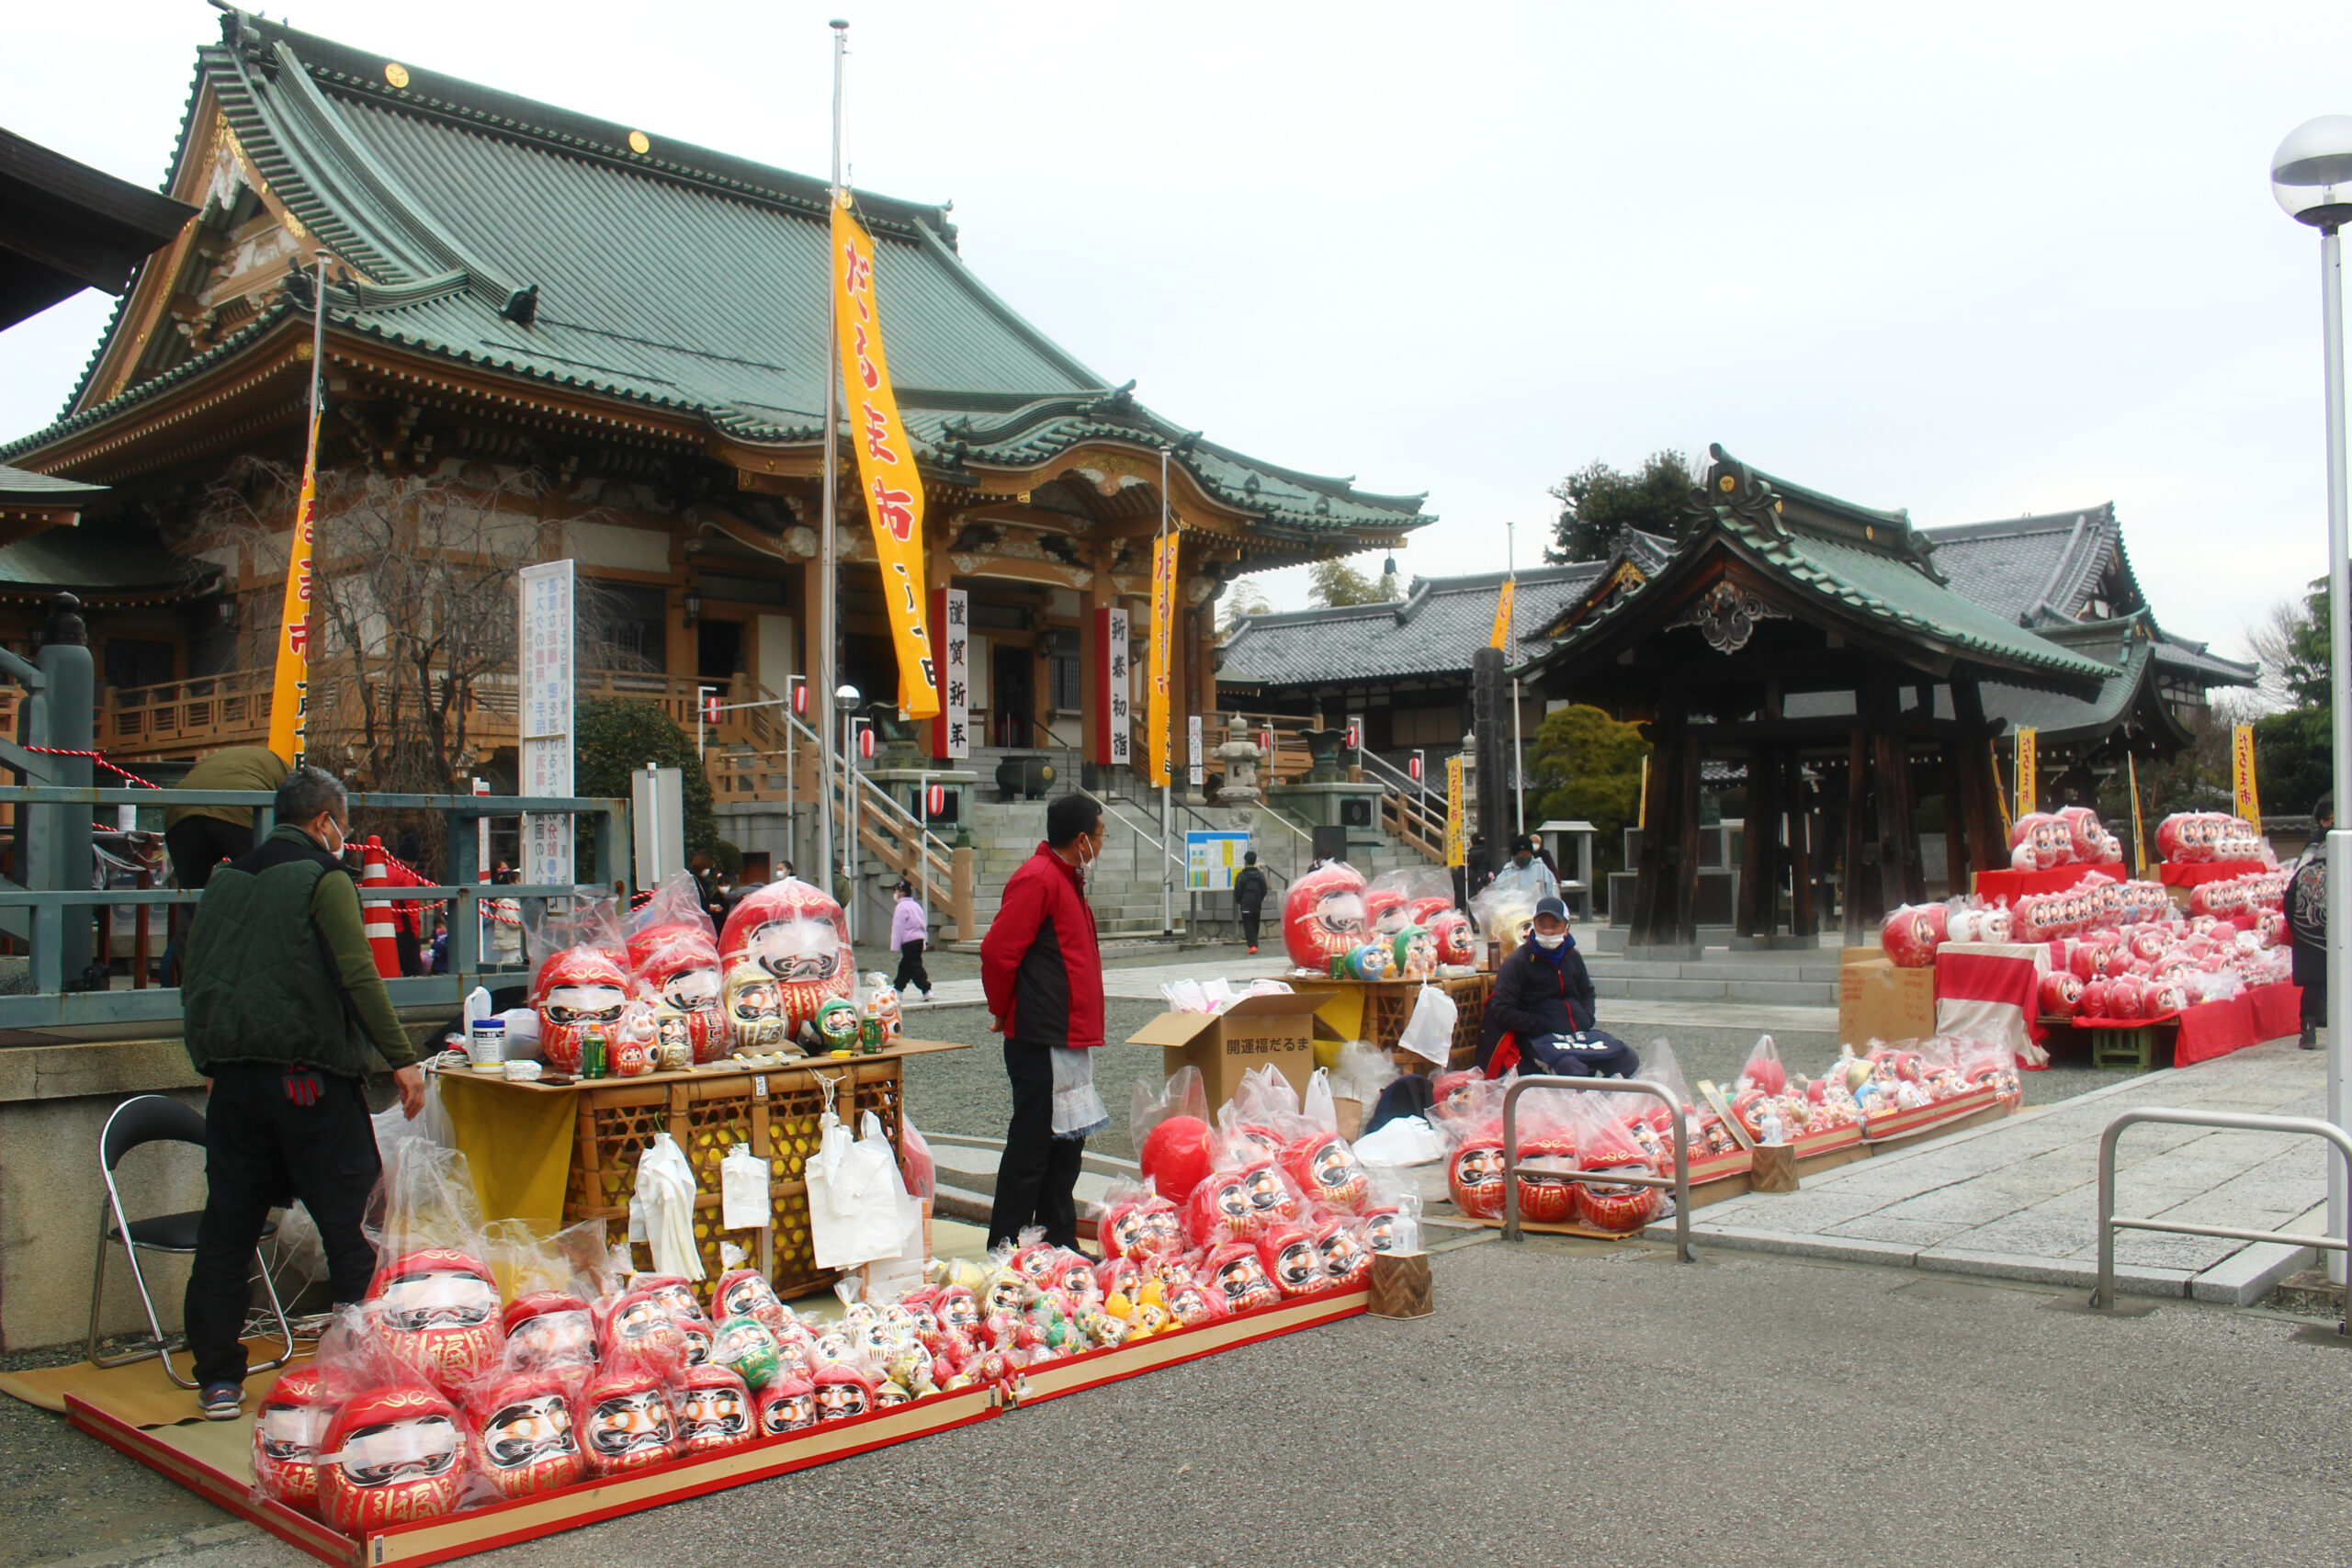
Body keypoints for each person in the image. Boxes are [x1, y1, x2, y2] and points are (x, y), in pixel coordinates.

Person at [179, 766, 424, 1421]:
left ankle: (219, 1381)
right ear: (324, 821)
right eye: (341, 822)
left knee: (228, 1230)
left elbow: (196, 974)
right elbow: (357, 975)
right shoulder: (325, 879)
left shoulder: (226, 880)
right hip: (311, 1084)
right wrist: (402, 1058)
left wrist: (209, 1054)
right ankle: (363, 1373)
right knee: (355, 1226)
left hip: (233, 1083)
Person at [980, 793, 1106, 1248]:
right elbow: (998, 952)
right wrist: (1002, 1008)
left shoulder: (1067, 879)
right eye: (1100, 834)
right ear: (1081, 839)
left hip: (1066, 1031)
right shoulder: (1038, 878)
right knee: (1032, 1146)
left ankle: (1057, 1239)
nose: (1102, 843)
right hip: (1042, 1032)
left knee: (1066, 1146)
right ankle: (1007, 1244)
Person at [1476, 895, 1637, 1077]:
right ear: (1534, 925)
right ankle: (1576, 1103)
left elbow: (1587, 991)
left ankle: (1609, 1101)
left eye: (1554, 925)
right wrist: (1539, 1024)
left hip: (1578, 1034)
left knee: (1627, 1058)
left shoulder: (1573, 956)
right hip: (1539, 1038)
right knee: (1572, 1069)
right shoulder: (1518, 961)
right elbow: (1502, 1009)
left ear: (1566, 928)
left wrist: (1585, 1017)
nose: (1548, 931)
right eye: (1542, 924)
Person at [163, 744, 290, 892]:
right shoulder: (290, 777)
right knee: (264, 882)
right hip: (239, 805)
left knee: (190, 892)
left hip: (180, 808)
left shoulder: (230, 760)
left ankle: (192, 914)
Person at [2290, 794, 2332, 1051]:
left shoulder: (2306, 866)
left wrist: (2298, 929)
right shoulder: (2340, 866)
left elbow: (2290, 898)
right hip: (2334, 931)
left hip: (2308, 932)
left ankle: (2309, 1027)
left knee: (2314, 981)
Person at [1486, 834, 1560, 907]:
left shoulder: (1541, 869)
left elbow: (1552, 891)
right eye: (1521, 853)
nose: (1524, 856)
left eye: (1527, 853)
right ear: (1514, 855)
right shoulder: (1507, 872)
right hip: (1516, 914)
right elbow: (1498, 894)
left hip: (1539, 913)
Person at [889, 878, 933, 1000]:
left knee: (914, 966)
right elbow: (923, 924)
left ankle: (926, 988)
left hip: (908, 941)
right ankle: (898, 988)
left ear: (902, 893)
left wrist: (895, 945)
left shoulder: (901, 907)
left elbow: (898, 927)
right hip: (919, 939)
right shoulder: (916, 906)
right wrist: (924, 941)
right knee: (905, 965)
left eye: (896, 891)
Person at [1233, 851, 1270, 954]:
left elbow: (1238, 890)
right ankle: (1254, 943)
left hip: (1245, 903)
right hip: (1257, 903)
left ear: (1245, 861)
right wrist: (1259, 898)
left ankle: (1252, 945)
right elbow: (1264, 889)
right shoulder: (1260, 875)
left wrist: (1239, 900)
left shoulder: (1241, 875)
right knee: (1255, 923)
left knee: (1248, 925)